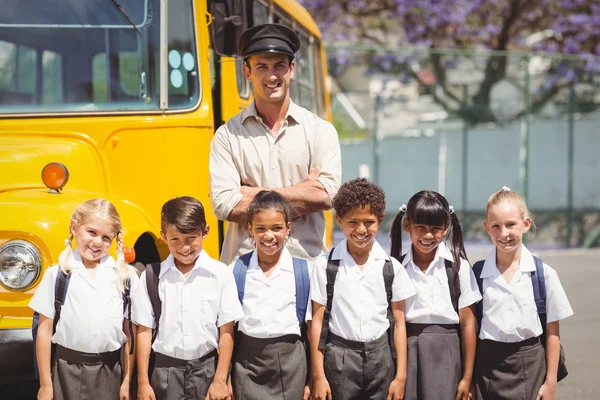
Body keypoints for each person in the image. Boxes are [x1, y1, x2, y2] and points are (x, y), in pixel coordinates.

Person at [209, 23, 342, 265]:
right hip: (244, 271)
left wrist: (250, 194)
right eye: (262, 66)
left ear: (291, 69)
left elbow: (326, 195)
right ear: (247, 73)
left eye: (279, 65)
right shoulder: (227, 135)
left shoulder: (320, 131)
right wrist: (301, 192)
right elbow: (225, 204)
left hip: (305, 268)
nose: (272, 75)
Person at [311, 178, 416, 400]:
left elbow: (399, 324)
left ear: (379, 220)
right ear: (339, 220)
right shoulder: (324, 266)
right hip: (338, 359)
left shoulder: (391, 268)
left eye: (369, 222)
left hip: (381, 360)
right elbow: (318, 322)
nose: (361, 230)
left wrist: (401, 377)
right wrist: (319, 376)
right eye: (352, 222)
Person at [134, 196, 244, 400]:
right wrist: (143, 382)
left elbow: (226, 331)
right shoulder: (151, 276)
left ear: (205, 232)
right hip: (165, 373)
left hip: (207, 371)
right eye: (175, 239)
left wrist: (220, 380)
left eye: (191, 238)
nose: (184, 247)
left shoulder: (220, 274)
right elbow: (144, 331)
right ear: (164, 236)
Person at [29, 198, 139, 400]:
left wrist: (126, 382)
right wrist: (46, 384)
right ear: (74, 227)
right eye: (92, 232)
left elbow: (129, 333)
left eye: (106, 237)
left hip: (109, 371)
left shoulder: (124, 276)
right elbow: (44, 331)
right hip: (65, 371)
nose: (98, 242)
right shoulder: (57, 275)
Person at [473, 186, 574, 400]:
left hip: (531, 367)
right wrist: (467, 379)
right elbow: (468, 330)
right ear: (486, 227)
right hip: (486, 371)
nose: (504, 233)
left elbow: (553, 333)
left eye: (510, 225)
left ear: (526, 224)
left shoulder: (543, 274)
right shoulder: (477, 274)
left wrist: (551, 382)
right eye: (496, 226)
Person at [389, 190, 481, 400]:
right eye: (420, 228)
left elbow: (468, 324)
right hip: (407, 353)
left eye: (436, 229)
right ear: (407, 225)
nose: (428, 235)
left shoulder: (459, 268)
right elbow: (396, 320)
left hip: (447, 354)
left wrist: (467, 377)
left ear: (446, 228)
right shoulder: (395, 268)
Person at [229, 190, 311, 399]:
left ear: (288, 228)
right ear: (250, 229)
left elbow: (312, 328)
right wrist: (226, 377)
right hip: (246, 364)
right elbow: (227, 328)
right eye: (261, 228)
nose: (269, 235)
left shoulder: (304, 271)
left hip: (291, 364)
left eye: (276, 228)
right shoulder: (235, 270)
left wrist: (313, 378)